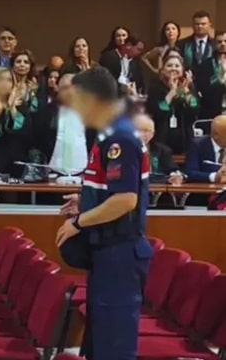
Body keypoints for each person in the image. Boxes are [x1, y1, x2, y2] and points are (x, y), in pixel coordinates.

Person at [56, 67, 153, 360]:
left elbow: (125, 200)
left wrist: (79, 221)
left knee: (114, 347)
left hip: (120, 254)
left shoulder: (120, 139)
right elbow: (111, 191)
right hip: (107, 254)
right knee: (99, 345)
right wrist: (86, 200)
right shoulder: (109, 135)